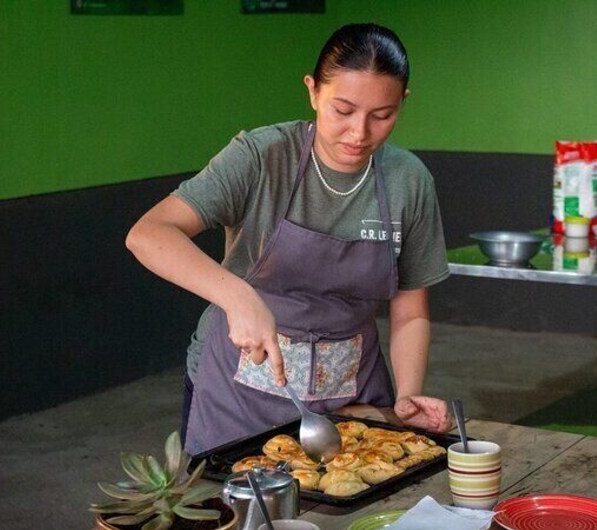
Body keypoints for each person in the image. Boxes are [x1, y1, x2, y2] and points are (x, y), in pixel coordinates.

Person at [126, 23, 452, 455]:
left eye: (382, 116)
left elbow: (410, 310)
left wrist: (407, 395)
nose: (359, 133)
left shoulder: (408, 181)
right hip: (238, 398)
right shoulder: (262, 157)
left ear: (402, 104)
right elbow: (148, 234)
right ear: (313, 91)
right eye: (343, 110)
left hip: (353, 400)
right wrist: (238, 296)